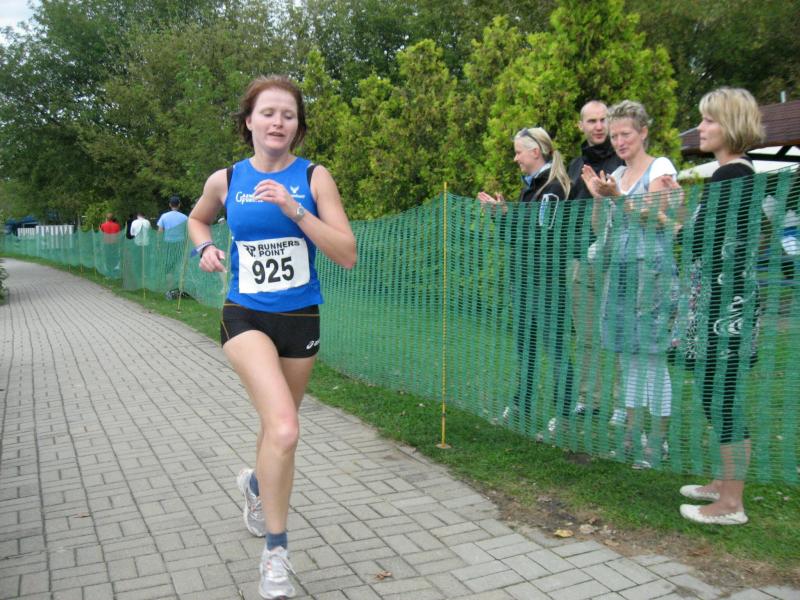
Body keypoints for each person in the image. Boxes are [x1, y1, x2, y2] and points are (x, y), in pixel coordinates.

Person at [188, 75, 356, 598]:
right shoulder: (226, 179)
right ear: (249, 122)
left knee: (276, 429)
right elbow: (198, 220)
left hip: (300, 318)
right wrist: (204, 248)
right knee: (284, 429)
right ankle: (276, 554)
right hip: (245, 315)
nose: (278, 122)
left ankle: (256, 484)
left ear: (297, 127)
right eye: (268, 113)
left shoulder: (314, 177)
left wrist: (294, 208)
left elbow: (346, 254)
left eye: (288, 114)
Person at [677, 87, 764, 525]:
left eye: (709, 120)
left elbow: (702, 243)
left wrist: (675, 221)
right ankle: (722, 482)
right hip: (723, 303)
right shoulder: (733, 174)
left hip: (726, 309)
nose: (701, 127)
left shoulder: (731, 176)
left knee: (723, 397)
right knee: (717, 394)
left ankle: (731, 504)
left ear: (730, 125)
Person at [581, 100, 681, 468]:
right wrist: (599, 199)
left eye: (626, 134)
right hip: (620, 274)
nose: (619, 141)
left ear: (643, 132)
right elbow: (601, 230)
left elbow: (657, 217)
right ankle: (631, 436)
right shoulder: (617, 175)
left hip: (651, 274)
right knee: (628, 360)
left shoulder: (661, 167)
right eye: (615, 135)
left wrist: (619, 198)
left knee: (652, 359)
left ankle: (657, 442)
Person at [477, 127, 576, 442]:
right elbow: (517, 238)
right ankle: (521, 406)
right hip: (524, 284)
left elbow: (541, 238)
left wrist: (507, 217)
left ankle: (564, 417)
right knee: (526, 348)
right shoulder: (530, 189)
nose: (515, 158)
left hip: (546, 286)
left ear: (536, 152)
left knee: (556, 351)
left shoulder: (552, 190)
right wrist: (501, 216)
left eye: (519, 152)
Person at [566, 101, 624, 419]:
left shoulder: (621, 161)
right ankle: (590, 398)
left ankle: (621, 403)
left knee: (618, 333)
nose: (599, 126)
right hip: (581, 260)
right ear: (581, 126)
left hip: (616, 260)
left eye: (604, 120)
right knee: (587, 336)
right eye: (592, 121)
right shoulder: (575, 166)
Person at [157, 196, 189, 296]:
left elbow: (160, 231)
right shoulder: (185, 217)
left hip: (168, 244)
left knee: (169, 267)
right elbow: (187, 232)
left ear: (170, 205)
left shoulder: (164, 216)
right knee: (180, 265)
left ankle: (170, 289)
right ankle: (180, 288)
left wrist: (159, 244)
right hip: (181, 244)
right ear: (179, 205)